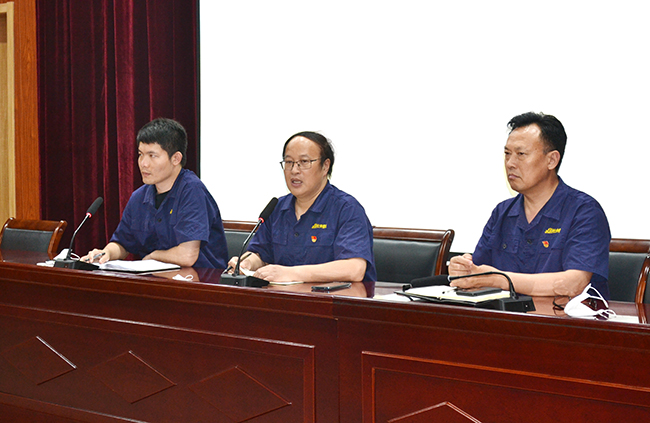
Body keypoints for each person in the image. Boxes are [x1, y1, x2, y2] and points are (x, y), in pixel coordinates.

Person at [448, 112, 611, 299]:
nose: (510, 163)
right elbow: (477, 271)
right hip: (507, 316)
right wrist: (464, 269)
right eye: (507, 154)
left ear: (552, 160)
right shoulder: (502, 212)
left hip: (565, 316)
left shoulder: (584, 212)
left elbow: (573, 284)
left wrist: (497, 279)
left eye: (521, 154)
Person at [227, 131, 376, 292]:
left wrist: (291, 273)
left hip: (334, 303)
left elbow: (354, 269)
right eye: (289, 162)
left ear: (325, 166)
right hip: (283, 299)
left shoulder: (347, 209)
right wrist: (247, 263)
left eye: (304, 162)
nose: (294, 170)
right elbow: (260, 254)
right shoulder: (277, 208)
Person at [83, 118, 228, 268]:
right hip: (157, 279)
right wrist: (106, 253)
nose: (143, 163)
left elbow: (187, 256)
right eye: (141, 154)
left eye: (152, 156)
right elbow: (122, 244)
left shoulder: (192, 191)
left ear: (176, 159)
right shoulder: (139, 197)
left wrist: (153, 256)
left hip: (200, 279)